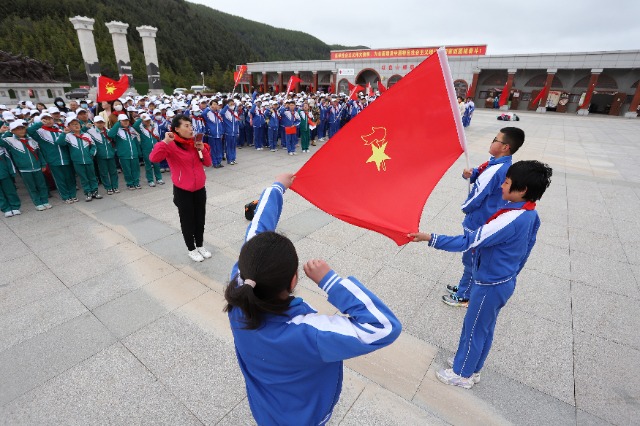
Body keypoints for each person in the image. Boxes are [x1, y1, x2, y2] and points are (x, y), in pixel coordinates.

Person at [225, 173, 402, 425]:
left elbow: (255, 232)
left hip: (265, 409)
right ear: (294, 280)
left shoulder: (239, 297)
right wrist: (330, 281)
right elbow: (384, 327)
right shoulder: (307, 334)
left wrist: (276, 188)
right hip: (306, 417)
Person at [408, 160, 552, 389]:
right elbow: (527, 250)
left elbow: (469, 241)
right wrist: (511, 274)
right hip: (504, 280)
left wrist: (429, 238)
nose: (502, 187)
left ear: (522, 190)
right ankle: (472, 366)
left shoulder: (510, 219)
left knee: (473, 328)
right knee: (484, 328)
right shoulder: (530, 214)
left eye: (507, 183)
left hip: (490, 283)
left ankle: (461, 373)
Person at [443, 127, 524, 308]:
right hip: (483, 218)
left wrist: (465, 208)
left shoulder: (497, 169)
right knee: (471, 258)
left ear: (505, 147)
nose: (492, 141)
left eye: (496, 139)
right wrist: (471, 175)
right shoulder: (496, 164)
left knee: (472, 259)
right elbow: (480, 178)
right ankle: (465, 288)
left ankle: (465, 295)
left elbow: (478, 195)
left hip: (480, 220)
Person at [149, 114, 213, 262]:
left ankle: (200, 245)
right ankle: (191, 249)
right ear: (176, 129)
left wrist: (202, 148)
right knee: (187, 220)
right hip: (183, 190)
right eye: (186, 126)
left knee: (200, 219)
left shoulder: (194, 143)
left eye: (191, 125)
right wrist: (165, 141)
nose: (190, 128)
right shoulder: (170, 145)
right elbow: (154, 158)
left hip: (199, 189)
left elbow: (208, 163)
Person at [0, 120, 51, 211]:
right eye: (17, 129)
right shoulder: (11, 141)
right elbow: (1, 142)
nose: (21, 131)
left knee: (42, 185)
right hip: (24, 169)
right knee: (32, 187)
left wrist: (43, 164)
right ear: (13, 131)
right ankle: (37, 202)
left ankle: (45, 201)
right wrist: (4, 132)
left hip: (37, 167)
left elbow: (39, 154)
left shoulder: (31, 140)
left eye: (22, 128)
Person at [27, 112, 77, 203]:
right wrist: (41, 123)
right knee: (60, 179)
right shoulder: (40, 132)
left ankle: (73, 195)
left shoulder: (60, 130)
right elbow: (29, 131)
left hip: (66, 159)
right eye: (45, 119)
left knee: (70, 178)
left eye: (50, 119)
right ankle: (65, 196)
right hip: (53, 160)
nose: (48, 121)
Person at [56, 116, 102, 202]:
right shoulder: (68, 136)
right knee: (83, 178)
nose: (76, 126)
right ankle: (88, 192)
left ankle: (95, 191)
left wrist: (91, 154)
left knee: (92, 176)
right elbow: (60, 143)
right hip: (77, 161)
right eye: (73, 125)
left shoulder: (86, 135)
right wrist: (64, 133)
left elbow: (93, 146)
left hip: (88, 160)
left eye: (77, 124)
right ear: (69, 127)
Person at [108, 113, 141, 190]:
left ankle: (136, 182)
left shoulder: (131, 129)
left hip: (134, 154)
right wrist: (118, 124)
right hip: (124, 155)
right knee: (127, 170)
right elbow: (110, 135)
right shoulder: (117, 131)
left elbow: (136, 141)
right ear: (119, 122)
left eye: (127, 120)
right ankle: (130, 183)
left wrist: (138, 151)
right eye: (123, 121)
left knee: (135, 169)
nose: (126, 122)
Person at [87, 116, 119, 194]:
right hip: (100, 156)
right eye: (98, 122)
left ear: (104, 123)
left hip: (111, 155)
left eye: (101, 122)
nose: (100, 124)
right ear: (94, 123)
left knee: (113, 171)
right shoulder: (91, 132)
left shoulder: (108, 131)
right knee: (104, 173)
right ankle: (108, 187)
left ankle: (115, 186)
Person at [133, 113, 164, 187]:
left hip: (155, 149)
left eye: (148, 120)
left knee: (157, 164)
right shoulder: (141, 129)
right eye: (145, 120)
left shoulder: (154, 127)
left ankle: (159, 178)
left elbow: (158, 137)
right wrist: (141, 119)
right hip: (146, 149)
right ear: (143, 121)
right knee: (148, 165)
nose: (147, 122)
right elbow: (134, 126)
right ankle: (150, 180)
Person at [0, 143, 20, 217]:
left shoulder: (2, 149)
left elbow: (9, 160)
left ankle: (15, 206)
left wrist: (12, 172)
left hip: (4, 173)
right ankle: (6, 209)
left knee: (10, 190)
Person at [203, 100, 225, 168]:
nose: (215, 106)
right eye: (214, 104)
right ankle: (214, 162)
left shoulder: (218, 113)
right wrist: (209, 108)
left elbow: (221, 124)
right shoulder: (208, 113)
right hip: (211, 134)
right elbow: (203, 114)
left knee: (219, 148)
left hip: (218, 134)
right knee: (213, 149)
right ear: (211, 105)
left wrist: (221, 132)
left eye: (216, 104)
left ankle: (219, 161)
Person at [220, 99, 240, 165]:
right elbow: (221, 113)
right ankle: (229, 159)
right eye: (231, 104)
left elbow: (237, 123)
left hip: (234, 132)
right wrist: (227, 106)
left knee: (233, 146)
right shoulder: (226, 112)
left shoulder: (235, 113)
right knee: (229, 146)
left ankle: (233, 158)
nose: (232, 105)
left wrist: (237, 131)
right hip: (228, 132)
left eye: (233, 104)